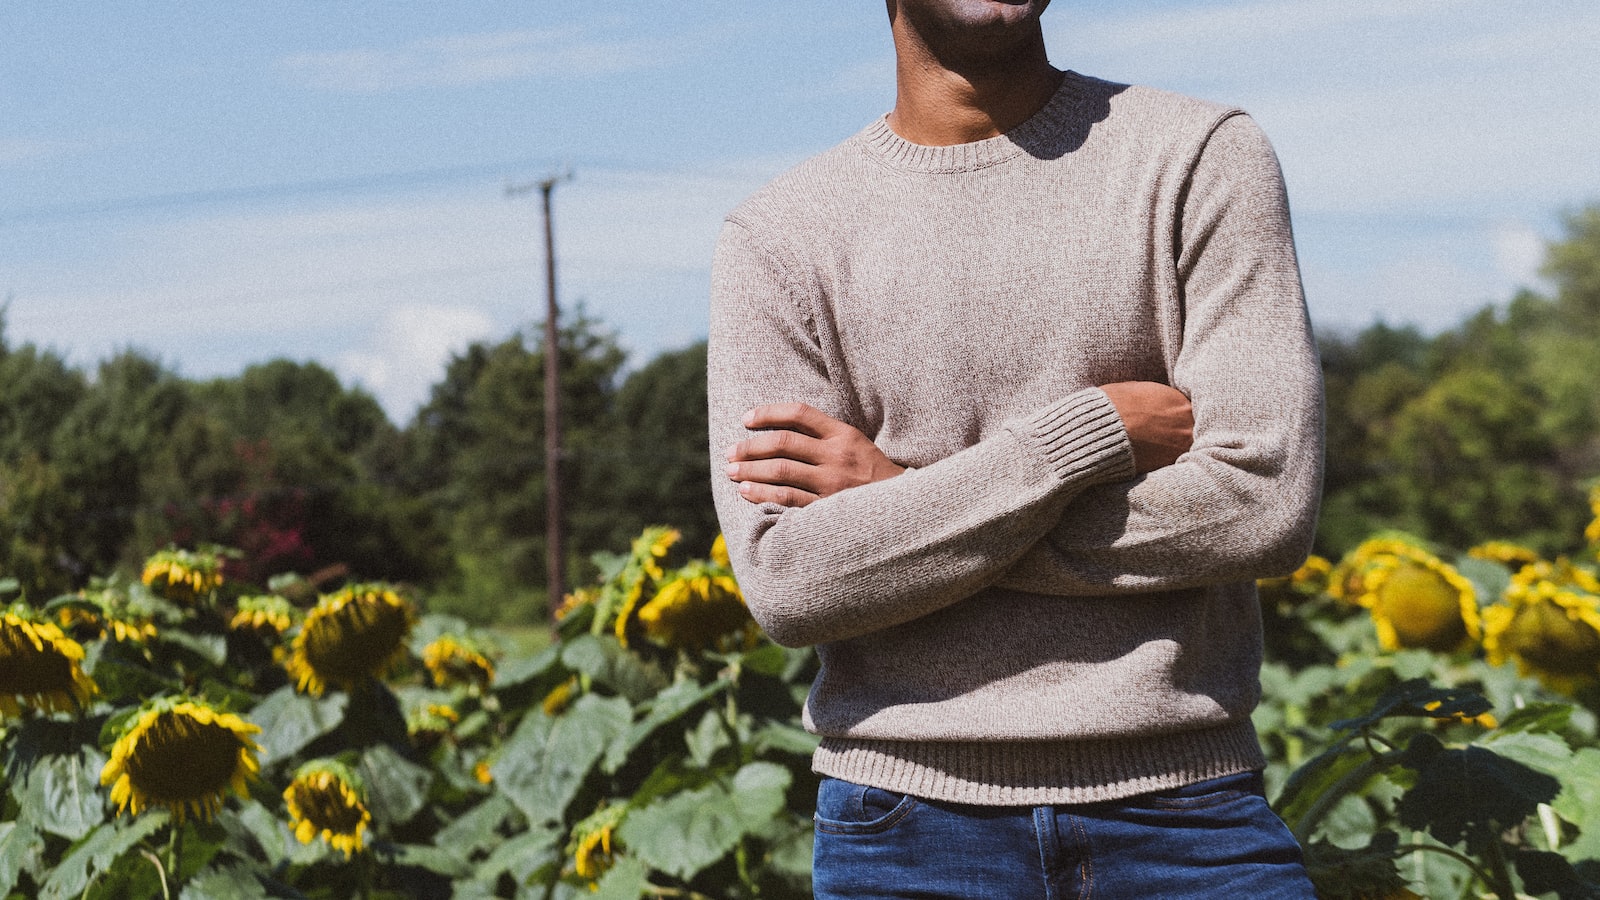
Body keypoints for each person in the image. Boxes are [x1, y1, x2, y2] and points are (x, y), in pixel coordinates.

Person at [707, 0, 1324, 896]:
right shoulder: (778, 239)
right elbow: (793, 583)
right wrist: (1081, 442)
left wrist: (902, 495)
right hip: (905, 834)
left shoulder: (1198, 157)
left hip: (1188, 821)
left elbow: (1261, 509)